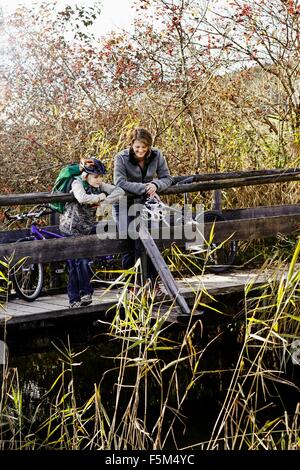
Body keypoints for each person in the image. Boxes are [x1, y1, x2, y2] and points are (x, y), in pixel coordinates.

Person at [60, 157, 124, 308]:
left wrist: (105, 201)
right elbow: (82, 198)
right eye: (96, 176)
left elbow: (119, 191)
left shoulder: (98, 184)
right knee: (75, 263)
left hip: (85, 229)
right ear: (86, 175)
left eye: (101, 176)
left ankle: (84, 294)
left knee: (82, 261)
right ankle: (76, 298)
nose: (99, 180)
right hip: (70, 229)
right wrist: (100, 197)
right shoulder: (77, 183)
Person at [114, 127, 172, 286]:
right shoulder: (121, 158)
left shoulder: (157, 155)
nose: (140, 150)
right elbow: (119, 182)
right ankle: (130, 286)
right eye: (137, 146)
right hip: (124, 204)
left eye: (144, 147)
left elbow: (167, 178)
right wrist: (145, 188)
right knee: (129, 241)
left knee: (149, 241)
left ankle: (152, 283)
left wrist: (156, 184)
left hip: (146, 205)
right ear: (131, 144)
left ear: (149, 146)